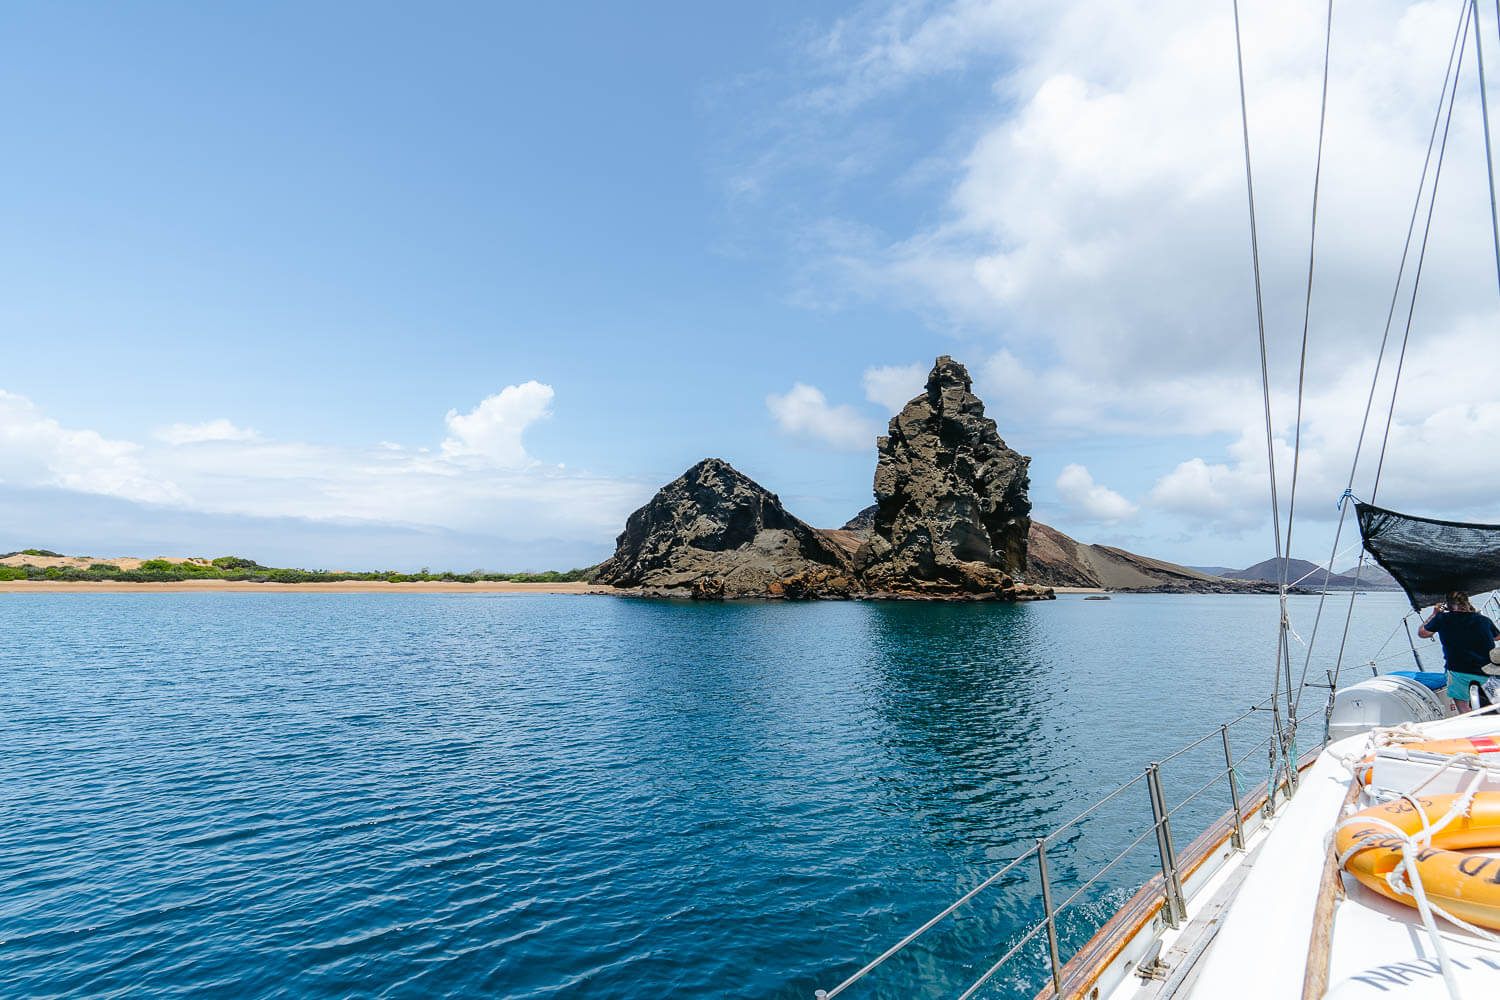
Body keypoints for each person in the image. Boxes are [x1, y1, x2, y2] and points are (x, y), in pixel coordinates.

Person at [1417, 590, 1500, 710]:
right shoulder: (1483, 620)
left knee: (1464, 710)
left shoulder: (1443, 619)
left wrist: (1434, 614)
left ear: (1448, 605)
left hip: (1458, 670)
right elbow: (1497, 636)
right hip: (1486, 671)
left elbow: (1423, 633)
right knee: (1496, 707)